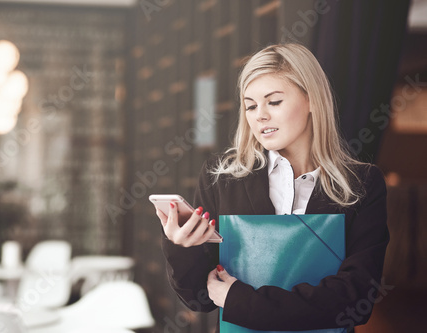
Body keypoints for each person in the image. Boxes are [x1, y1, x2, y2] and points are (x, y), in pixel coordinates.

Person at [155, 43, 389, 332]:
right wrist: (181, 246)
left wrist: (240, 300)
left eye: (274, 102)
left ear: (312, 100)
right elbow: (201, 299)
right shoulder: (222, 178)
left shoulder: (362, 184)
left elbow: (356, 299)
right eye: (251, 105)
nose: (259, 115)